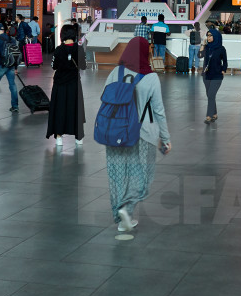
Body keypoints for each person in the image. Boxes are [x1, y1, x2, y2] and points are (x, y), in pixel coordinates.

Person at [103, 37, 171, 232]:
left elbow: (105, 98)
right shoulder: (151, 77)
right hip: (142, 134)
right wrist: (165, 138)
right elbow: (158, 111)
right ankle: (127, 207)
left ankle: (120, 217)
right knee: (142, 175)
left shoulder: (116, 71)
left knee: (117, 174)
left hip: (114, 131)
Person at [47, 24, 87, 146]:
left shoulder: (59, 50)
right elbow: (83, 66)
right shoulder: (79, 49)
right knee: (75, 108)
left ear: (62, 35)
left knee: (60, 109)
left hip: (60, 85)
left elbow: (54, 66)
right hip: (74, 84)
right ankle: (78, 137)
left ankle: (59, 137)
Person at [201, 27, 227, 124]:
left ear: (216, 36)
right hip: (206, 75)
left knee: (211, 94)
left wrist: (223, 71)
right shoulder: (207, 47)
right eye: (207, 36)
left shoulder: (221, 49)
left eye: (210, 35)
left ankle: (209, 115)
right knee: (210, 95)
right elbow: (199, 55)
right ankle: (214, 113)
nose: (208, 37)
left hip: (217, 75)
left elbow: (225, 62)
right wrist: (203, 44)